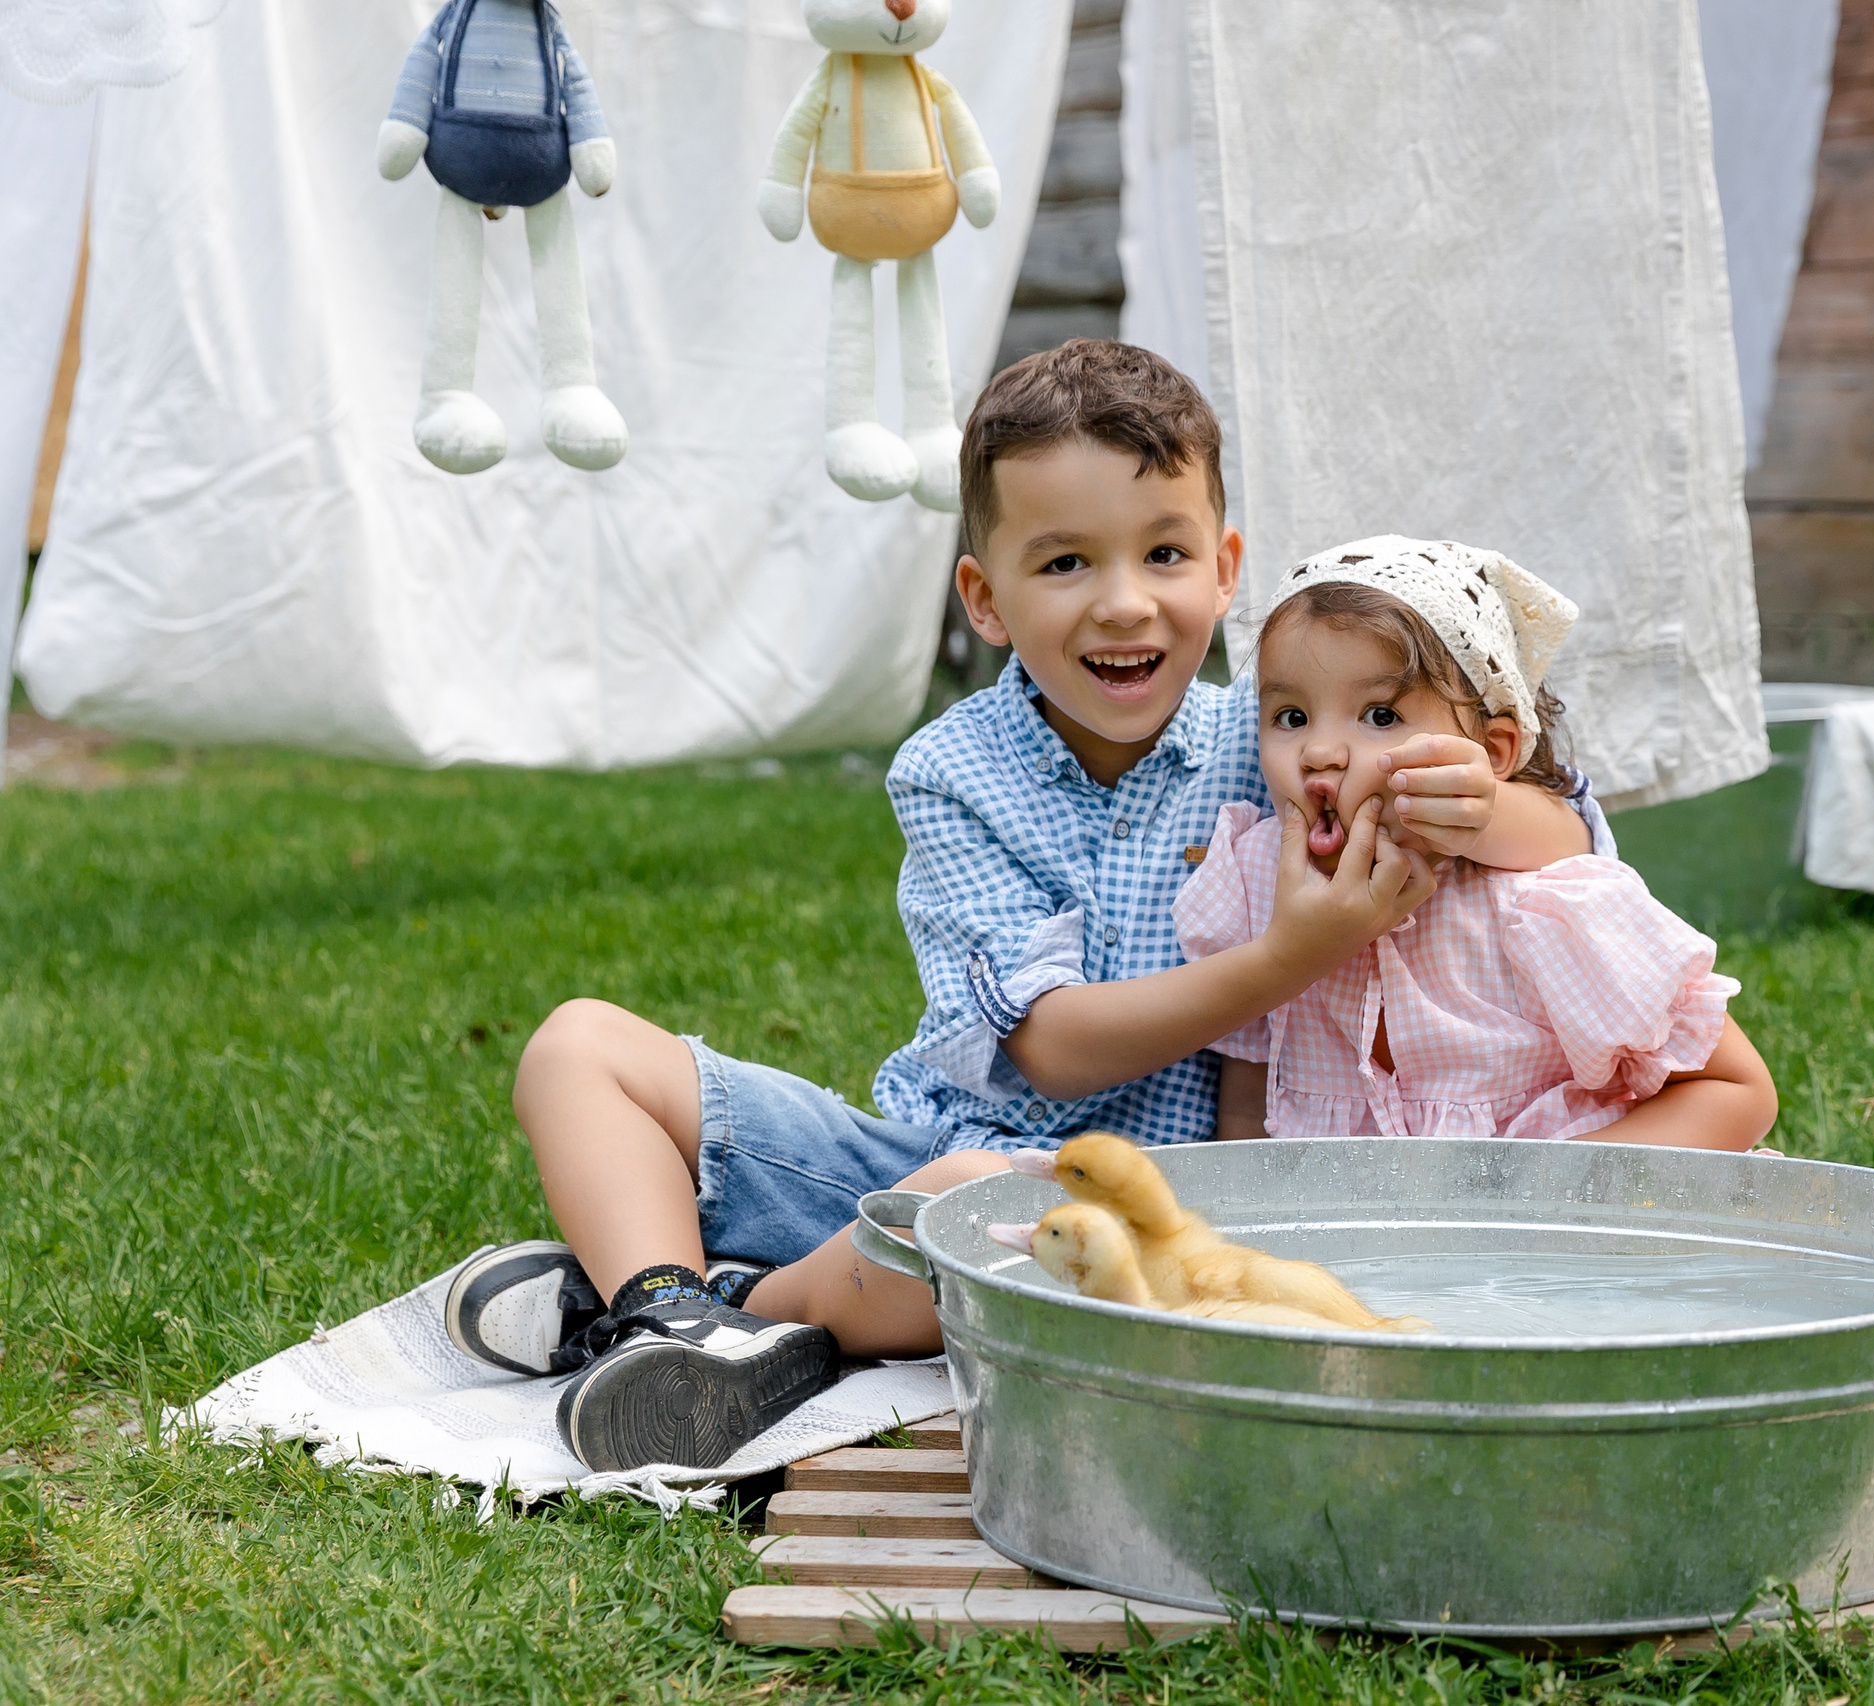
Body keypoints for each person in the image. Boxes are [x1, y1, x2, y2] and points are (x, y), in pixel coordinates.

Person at [446, 344, 1610, 1471]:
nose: (1123, 605)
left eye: (1164, 552)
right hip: (917, 1142)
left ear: (1225, 567)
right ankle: (669, 1316)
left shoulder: (1274, 737)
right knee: (577, 1045)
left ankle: (740, 1302)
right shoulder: (950, 772)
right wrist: (1283, 957)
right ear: (984, 597)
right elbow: (1048, 1047)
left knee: (960, 1213)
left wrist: (1483, 798)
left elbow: (1576, 854)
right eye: (1063, 564)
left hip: (1140, 1203)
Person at [1174, 537, 1780, 1149]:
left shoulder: (1541, 914)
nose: (1318, 752)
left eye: (1381, 716)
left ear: (1491, 754)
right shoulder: (1258, 883)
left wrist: (1549, 1200)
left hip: (1541, 1230)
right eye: (1292, 716)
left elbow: (1736, 1091)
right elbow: (1253, 1110)